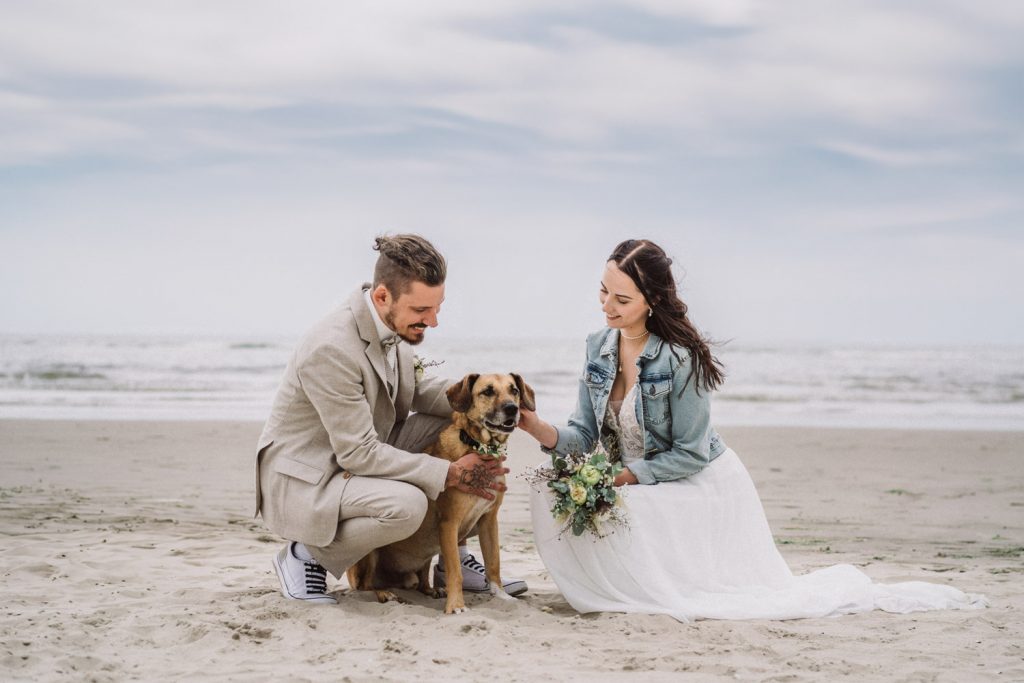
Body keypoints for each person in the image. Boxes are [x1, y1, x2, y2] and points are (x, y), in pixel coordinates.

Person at [518, 238, 985, 621]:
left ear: (652, 300)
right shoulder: (597, 346)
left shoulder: (680, 359)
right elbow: (583, 436)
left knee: (624, 503)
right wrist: (536, 426)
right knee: (547, 488)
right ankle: (613, 585)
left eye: (621, 299)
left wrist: (627, 476)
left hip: (694, 480)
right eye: (603, 292)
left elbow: (690, 454)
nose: (606, 306)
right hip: (635, 476)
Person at [256, 234, 526, 604]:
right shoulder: (331, 348)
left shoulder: (390, 323)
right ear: (384, 296)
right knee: (408, 505)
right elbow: (358, 454)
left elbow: (417, 392)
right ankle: (304, 557)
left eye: (437, 307)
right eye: (421, 311)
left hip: (359, 451)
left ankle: (455, 563)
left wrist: (489, 402)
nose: (432, 321)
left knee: (456, 425)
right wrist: (448, 473)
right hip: (314, 475)